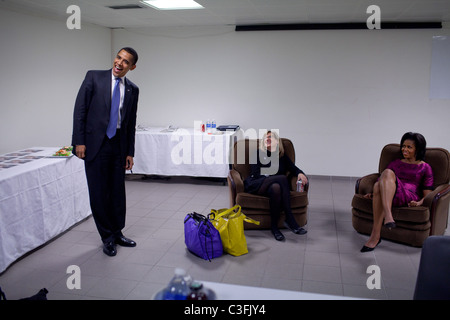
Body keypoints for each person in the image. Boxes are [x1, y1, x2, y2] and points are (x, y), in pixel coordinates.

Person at [72, 47, 140, 256]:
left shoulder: (132, 90)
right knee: (99, 193)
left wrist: (130, 152)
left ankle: (118, 232)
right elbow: (80, 110)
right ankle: (107, 237)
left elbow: (130, 124)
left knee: (117, 192)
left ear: (132, 67)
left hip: (118, 145)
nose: (119, 63)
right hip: (95, 145)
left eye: (126, 61)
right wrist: (79, 141)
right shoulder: (94, 77)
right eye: (118, 58)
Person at [360, 132, 434, 252]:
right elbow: (381, 184)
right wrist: (374, 194)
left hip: (408, 195)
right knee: (381, 181)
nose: (404, 149)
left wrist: (420, 203)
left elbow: (428, 194)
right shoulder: (396, 163)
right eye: (403, 146)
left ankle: (386, 219)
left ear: (418, 149)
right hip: (390, 194)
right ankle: (376, 234)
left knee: (387, 173)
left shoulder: (425, 167)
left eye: (409, 147)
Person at [244, 131, 308, 241]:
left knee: (276, 188)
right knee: (281, 178)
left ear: (277, 142)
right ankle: (289, 218)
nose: (267, 139)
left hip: (274, 188)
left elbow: (294, 168)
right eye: (265, 138)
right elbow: (256, 174)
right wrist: (271, 178)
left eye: (270, 137)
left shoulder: (281, 156)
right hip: (257, 184)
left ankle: (274, 228)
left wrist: (300, 173)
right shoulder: (257, 153)